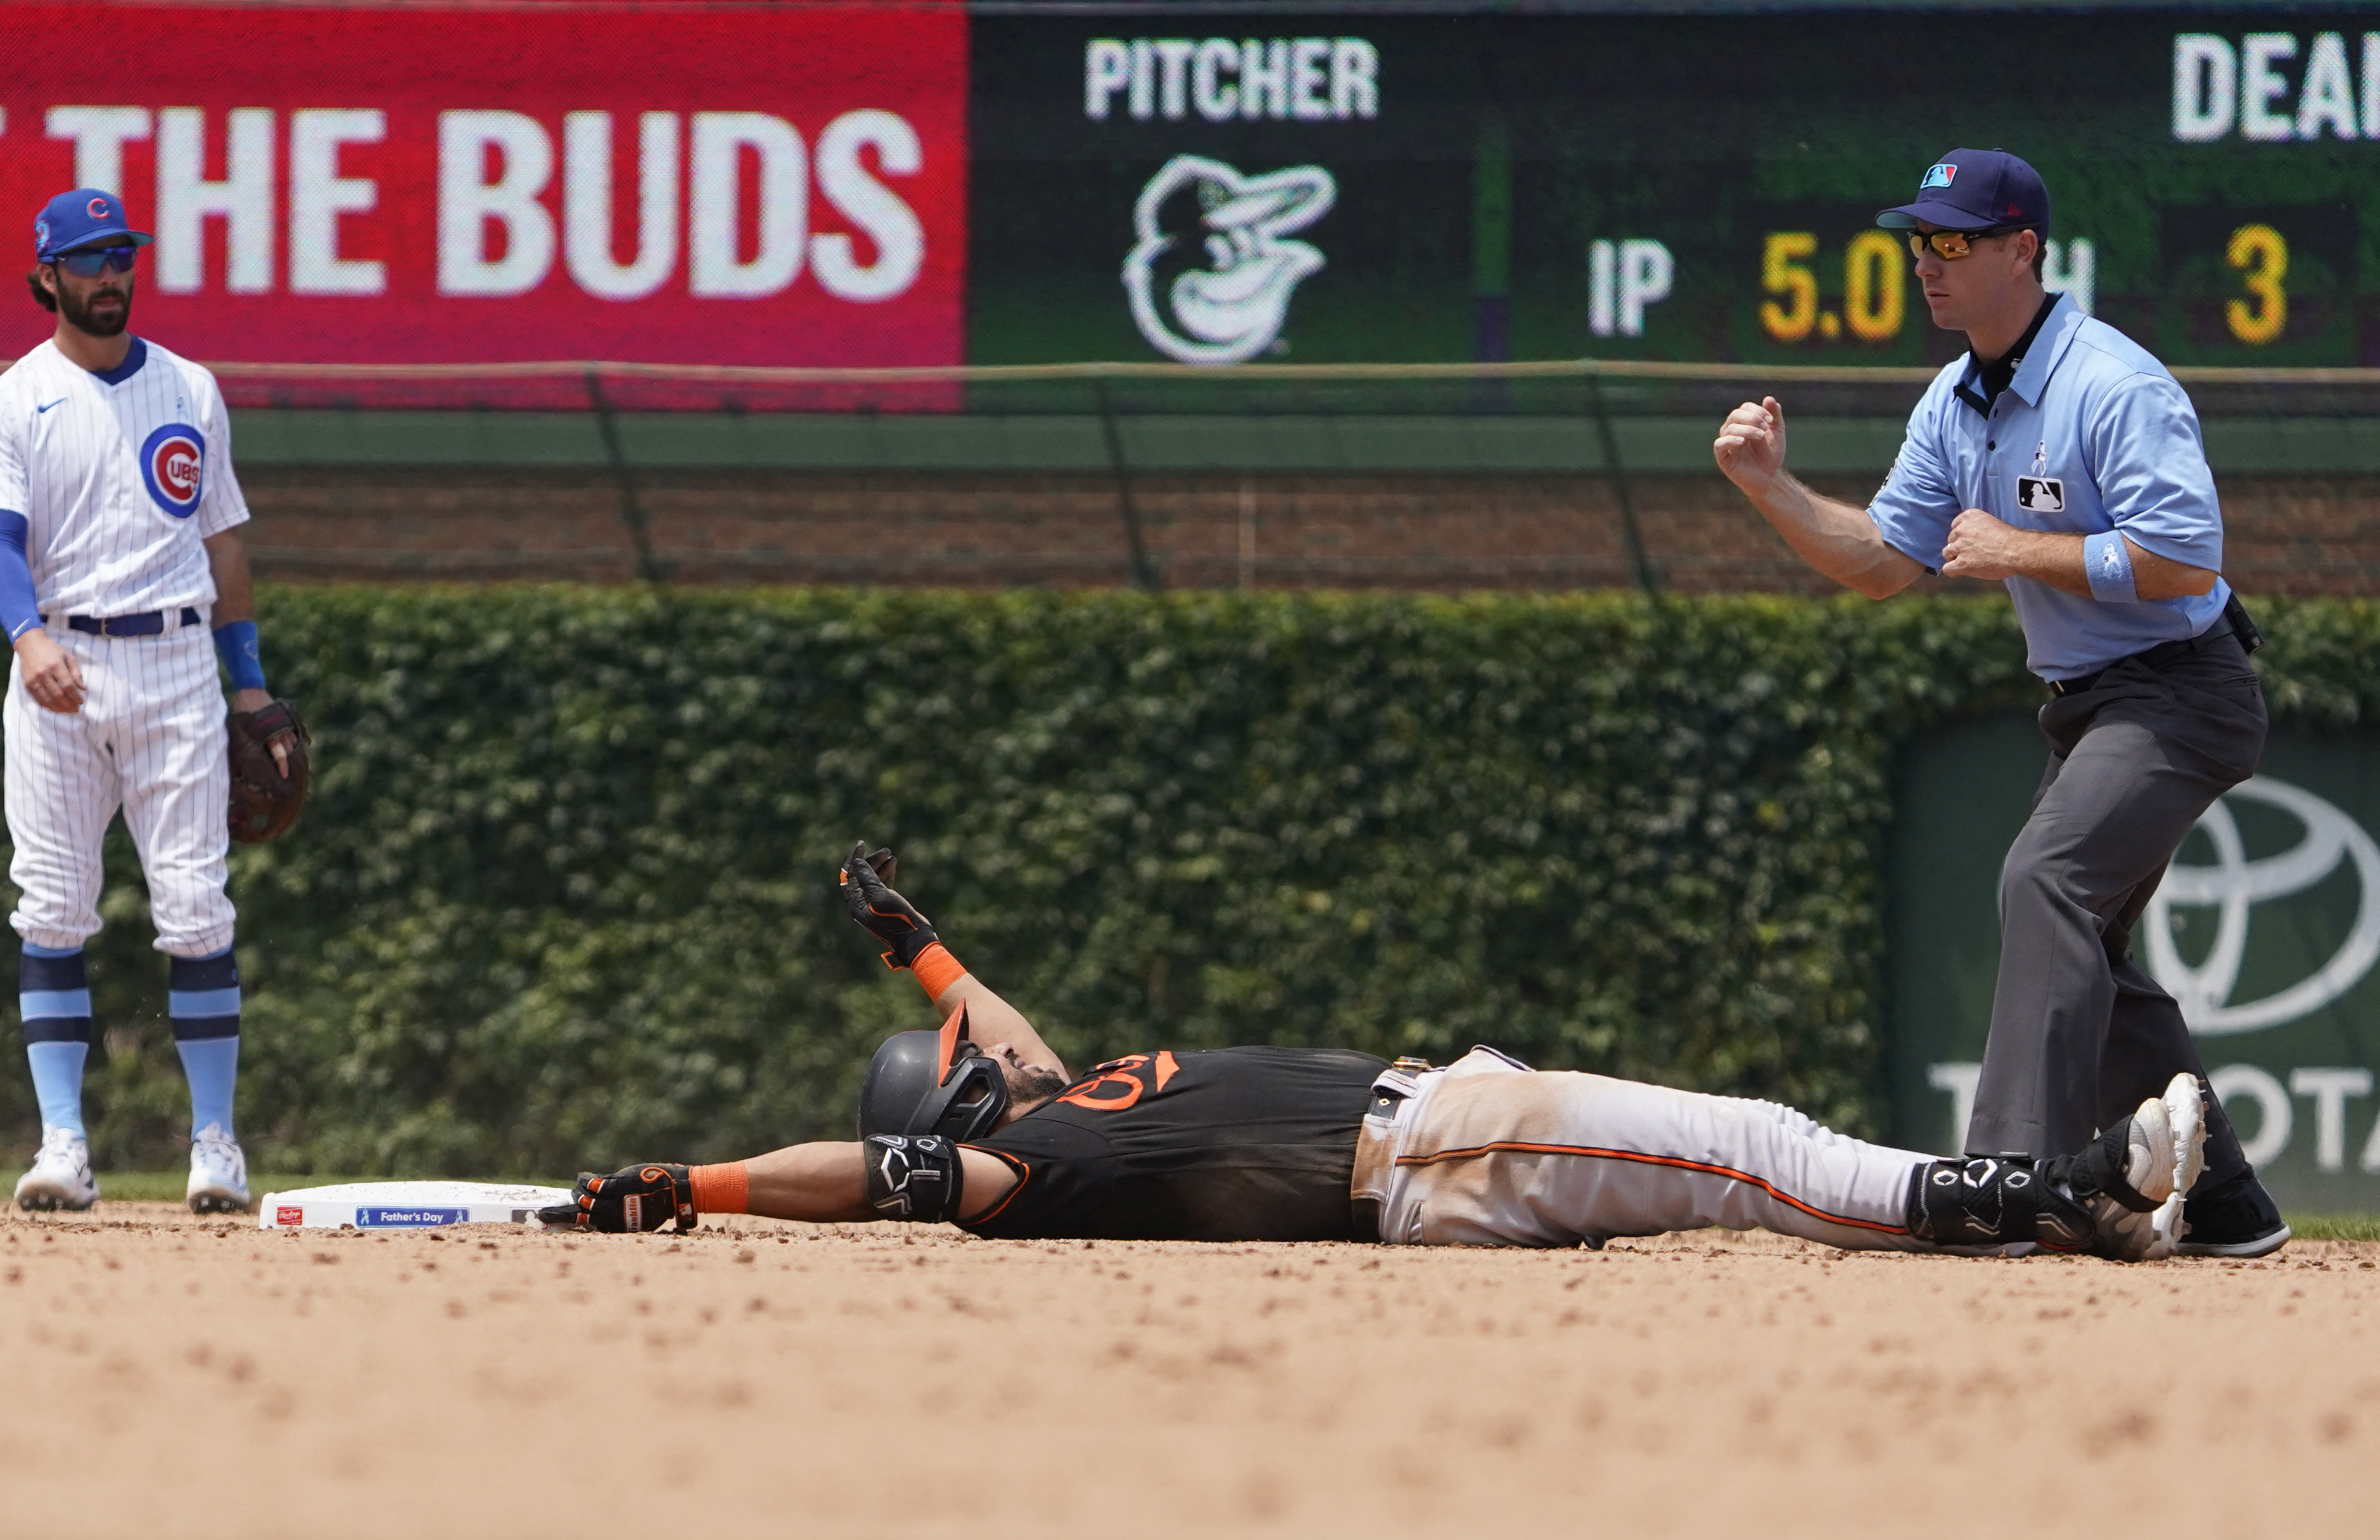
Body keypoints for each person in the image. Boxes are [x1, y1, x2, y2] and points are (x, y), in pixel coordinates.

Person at [546, 845, 2210, 1261]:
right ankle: (2055, 1188)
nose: (998, 1056)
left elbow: (988, 1028)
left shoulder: (1066, 1101)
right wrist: (694, 1182)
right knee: (1756, 1153)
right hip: (1436, 1151)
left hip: (1438, 1134)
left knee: (1747, 1156)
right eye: (975, 1073)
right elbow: (879, 1170)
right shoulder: (1033, 1165)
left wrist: (904, 934)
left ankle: (2052, 1198)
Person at [1711, 148, 2286, 1257]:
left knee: (2046, 879)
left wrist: (2025, 548)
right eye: (1919, 241)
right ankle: (2223, 1195)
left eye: (1953, 241)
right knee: (2084, 943)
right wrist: (1769, 487)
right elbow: (1884, 562)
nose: (1927, 262)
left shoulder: (2112, 382)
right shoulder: (1954, 397)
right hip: (2089, 705)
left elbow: (2186, 559)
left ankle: (2004, 1180)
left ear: (2022, 248)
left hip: (2182, 690)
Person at [0, 189, 291, 1214]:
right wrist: (28, 634)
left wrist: (252, 684)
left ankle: (216, 1145)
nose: (110, 276)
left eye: (120, 256)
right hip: (59, 670)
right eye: (88, 260)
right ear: (46, 276)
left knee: (195, 909)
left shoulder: (189, 387)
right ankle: (63, 1144)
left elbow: (222, 543)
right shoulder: (14, 400)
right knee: (51, 908)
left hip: (178, 666)